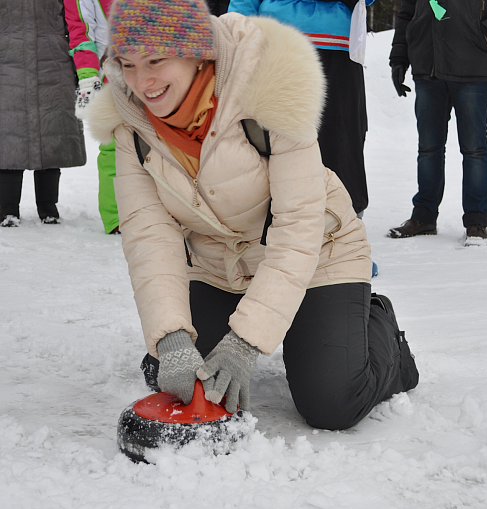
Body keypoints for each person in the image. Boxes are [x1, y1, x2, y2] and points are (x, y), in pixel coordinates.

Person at [88, 0, 418, 430]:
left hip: (318, 253)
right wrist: (170, 337)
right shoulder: (130, 121)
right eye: (127, 63)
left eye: (156, 59)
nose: (142, 81)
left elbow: (299, 225)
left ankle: (376, 325)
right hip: (218, 264)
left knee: (332, 401)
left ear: (195, 51)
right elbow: (149, 234)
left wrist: (245, 342)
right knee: (168, 371)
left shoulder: (269, 85)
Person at [227, 0, 378, 275]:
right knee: (274, 148)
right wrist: (238, 39)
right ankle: (270, 246)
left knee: (342, 147)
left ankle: (345, 244)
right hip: (278, 49)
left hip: (338, 51)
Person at [388, 0, 487, 246]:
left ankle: (476, 223)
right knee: (429, 148)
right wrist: (399, 56)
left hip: (473, 63)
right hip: (427, 64)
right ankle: (424, 217)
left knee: (474, 149)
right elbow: (407, 11)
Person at [0, 0, 86, 227]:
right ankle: (7, 210)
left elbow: (76, 20)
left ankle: (48, 207)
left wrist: (81, 65)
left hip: (53, 64)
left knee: (52, 136)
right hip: (8, 64)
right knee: (8, 137)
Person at [64, 0, 120, 234]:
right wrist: (87, 75)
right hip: (110, 75)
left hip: (153, 68)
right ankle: (117, 218)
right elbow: (80, 30)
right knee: (114, 149)